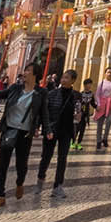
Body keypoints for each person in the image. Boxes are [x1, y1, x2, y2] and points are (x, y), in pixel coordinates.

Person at [0, 63, 43, 207]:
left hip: (25, 134)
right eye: (24, 69)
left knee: (21, 164)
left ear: (35, 75)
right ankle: (0, 195)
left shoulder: (40, 93)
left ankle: (20, 182)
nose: (24, 73)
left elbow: (44, 113)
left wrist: (46, 129)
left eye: (28, 70)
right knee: (3, 164)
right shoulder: (15, 88)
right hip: (9, 129)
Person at [37, 68, 81, 197]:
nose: (63, 80)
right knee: (46, 156)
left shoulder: (75, 96)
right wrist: (42, 128)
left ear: (73, 81)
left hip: (66, 131)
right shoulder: (52, 94)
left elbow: (78, 113)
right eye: (63, 77)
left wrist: (78, 116)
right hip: (52, 130)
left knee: (62, 158)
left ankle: (58, 186)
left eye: (67, 78)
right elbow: (44, 112)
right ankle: (40, 179)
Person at [94, 68, 111, 149]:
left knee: (109, 122)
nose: (109, 74)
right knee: (100, 124)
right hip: (102, 104)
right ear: (105, 73)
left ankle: (105, 139)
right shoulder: (102, 82)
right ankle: (98, 141)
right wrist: (98, 104)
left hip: (110, 104)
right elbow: (97, 94)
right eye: (108, 72)